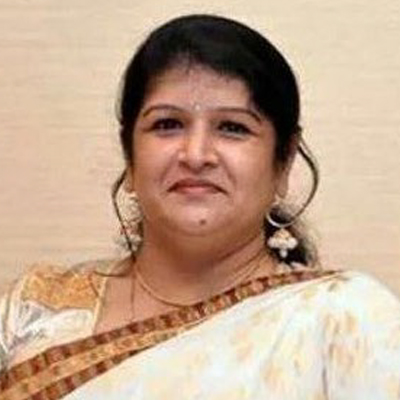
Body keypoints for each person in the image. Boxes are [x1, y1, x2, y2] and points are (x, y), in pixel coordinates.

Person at [1, 14, 399, 400]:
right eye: (167, 124)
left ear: (284, 162)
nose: (195, 154)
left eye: (233, 128)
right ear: (130, 157)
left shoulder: (344, 320)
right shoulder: (33, 312)